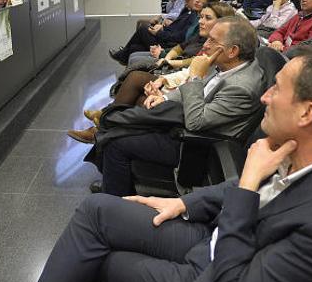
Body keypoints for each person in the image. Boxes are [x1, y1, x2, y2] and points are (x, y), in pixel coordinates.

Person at [20, 47, 312, 282]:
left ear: (309, 113)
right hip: (216, 241)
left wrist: (246, 185)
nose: (264, 97)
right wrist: (182, 203)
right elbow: (249, 190)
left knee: (101, 260)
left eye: (276, 89)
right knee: (96, 211)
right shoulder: (307, 149)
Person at [98, 17, 265, 197]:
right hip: (184, 121)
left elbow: (196, 122)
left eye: (212, 40)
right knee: (118, 129)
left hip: (195, 144)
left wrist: (194, 76)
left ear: (232, 51)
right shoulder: (229, 64)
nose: (206, 45)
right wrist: (165, 97)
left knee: (116, 143)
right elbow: (198, 91)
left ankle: (113, 201)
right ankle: (114, 182)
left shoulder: (241, 87)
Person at [70, 3, 236, 143]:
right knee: (136, 67)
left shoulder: (219, 52)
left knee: (140, 90)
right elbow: (184, 56)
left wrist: (166, 67)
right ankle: (104, 125)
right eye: (201, 17)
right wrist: (163, 79)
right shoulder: (205, 40)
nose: (201, 21)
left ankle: (102, 126)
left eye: (207, 18)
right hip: (180, 82)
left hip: (185, 94)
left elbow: (193, 75)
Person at [110, 0, 200, 64]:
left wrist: (159, 33)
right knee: (134, 47)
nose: (185, 3)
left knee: (143, 29)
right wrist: (162, 28)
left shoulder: (194, 16)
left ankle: (122, 54)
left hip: (168, 42)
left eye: (187, 1)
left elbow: (180, 37)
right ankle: (124, 55)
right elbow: (174, 22)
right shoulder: (189, 10)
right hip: (168, 37)